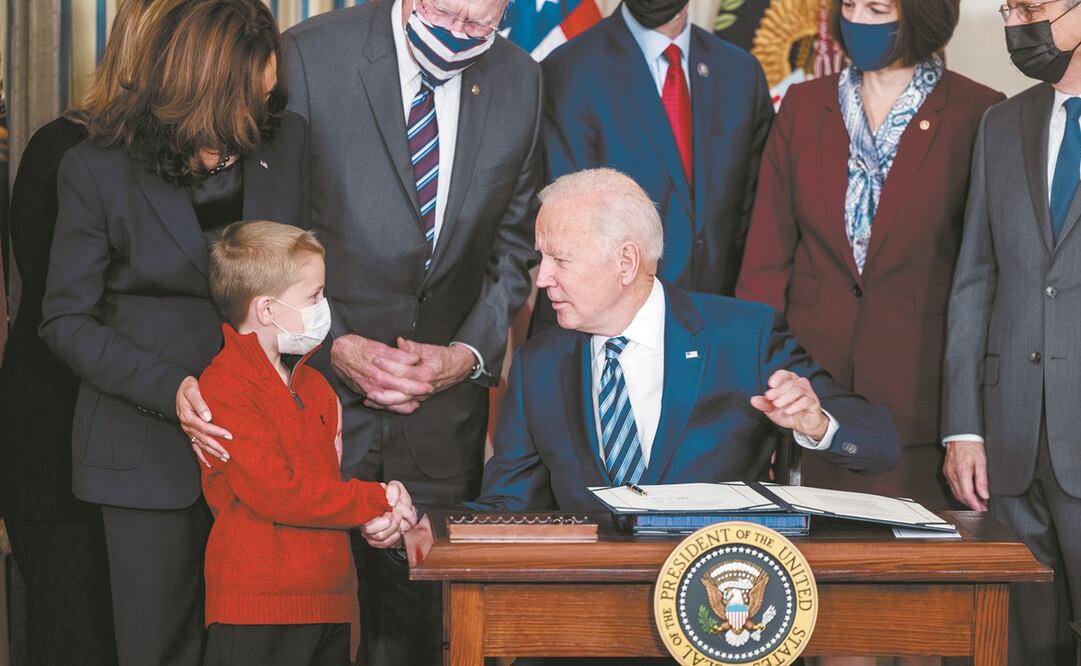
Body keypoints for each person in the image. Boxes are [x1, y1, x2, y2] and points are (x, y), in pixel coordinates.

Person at [181, 0, 541, 662]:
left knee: (415, 635)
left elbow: (515, 249)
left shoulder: (521, 78)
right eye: (451, 18)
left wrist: (464, 355)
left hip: (438, 413)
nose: (464, 37)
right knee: (306, 633)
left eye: (481, 25)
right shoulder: (311, 56)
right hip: (309, 398)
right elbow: (262, 241)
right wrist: (334, 340)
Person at [38, 1, 309, 663]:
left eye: (269, 90)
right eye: (250, 94)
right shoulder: (95, 167)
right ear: (201, 88)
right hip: (143, 455)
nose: (262, 109)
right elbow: (64, 320)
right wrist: (171, 388)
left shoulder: (289, 141)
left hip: (265, 456)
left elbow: (309, 276)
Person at [471, 168, 900, 517]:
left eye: (560, 259)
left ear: (625, 261)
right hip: (589, 604)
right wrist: (422, 525)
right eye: (542, 258)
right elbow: (506, 511)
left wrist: (818, 423)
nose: (542, 278)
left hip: (719, 596)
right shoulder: (537, 365)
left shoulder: (743, 338)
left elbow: (880, 445)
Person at [736, 0, 1003, 509]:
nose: (858, 20)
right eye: (850, 5)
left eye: (877, 8)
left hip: (918, 404)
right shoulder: (802, 103)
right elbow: (765, 266)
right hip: (809, 401)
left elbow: (985, 274)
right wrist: (765, 399)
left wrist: (968, 425)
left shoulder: (978, 111)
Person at [0, 2, 194, 664]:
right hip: (58, 431)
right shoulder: (67, 150)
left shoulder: (206, 158)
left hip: (144, 438)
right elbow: (60, 315)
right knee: (76, 632)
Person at [199, 221, 416, 666]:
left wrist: (380, 512)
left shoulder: (316, 385)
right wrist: (374, 499)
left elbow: (324, 489)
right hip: (258, 611)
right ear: (266, 309)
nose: (324, 307)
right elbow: (278, 492)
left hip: (331, 598)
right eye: (314, 296)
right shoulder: (224, 386)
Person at [943, 1, 1081, 663]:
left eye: (1030, 8)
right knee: (1017, 645)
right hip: (1007, 442)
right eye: (1007, 9)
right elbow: (974, 279)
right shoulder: (1000, 123)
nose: (1014, 24)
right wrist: (962, 428)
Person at [529, 0, 774, 335]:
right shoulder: (569, 71)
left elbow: (754, 221)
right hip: (601, 341)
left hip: (714, 336)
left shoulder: (741, 73)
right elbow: (567, 231)